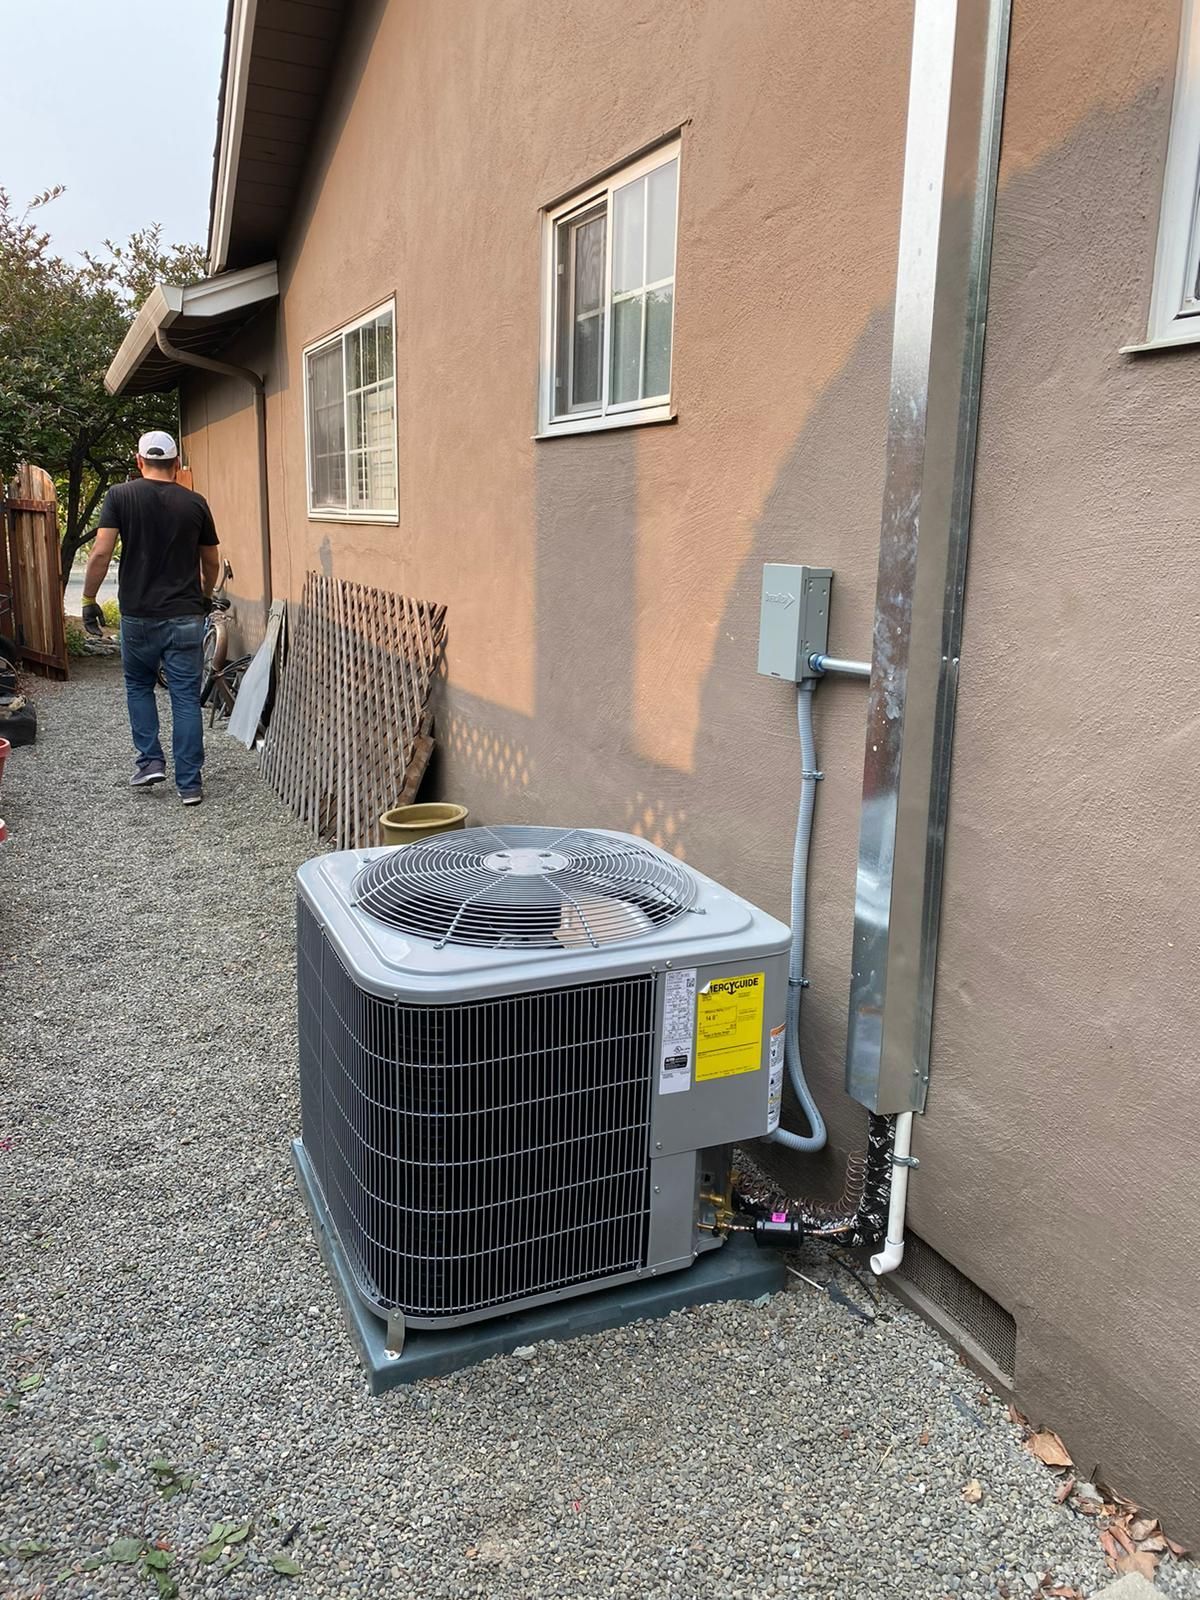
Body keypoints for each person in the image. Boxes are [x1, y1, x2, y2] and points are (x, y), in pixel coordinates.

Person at [83, 431, 220, 806]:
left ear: (138, 461)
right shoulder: (196, 503)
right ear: (176, 464)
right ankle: (190, 784)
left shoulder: (120, 496)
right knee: (186, 698)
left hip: (139, 616)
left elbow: (100, 553)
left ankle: (150, 762)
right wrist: (205, 597)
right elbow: (211, 561)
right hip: (186, 615)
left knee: (138, 686)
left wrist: (89, 599)